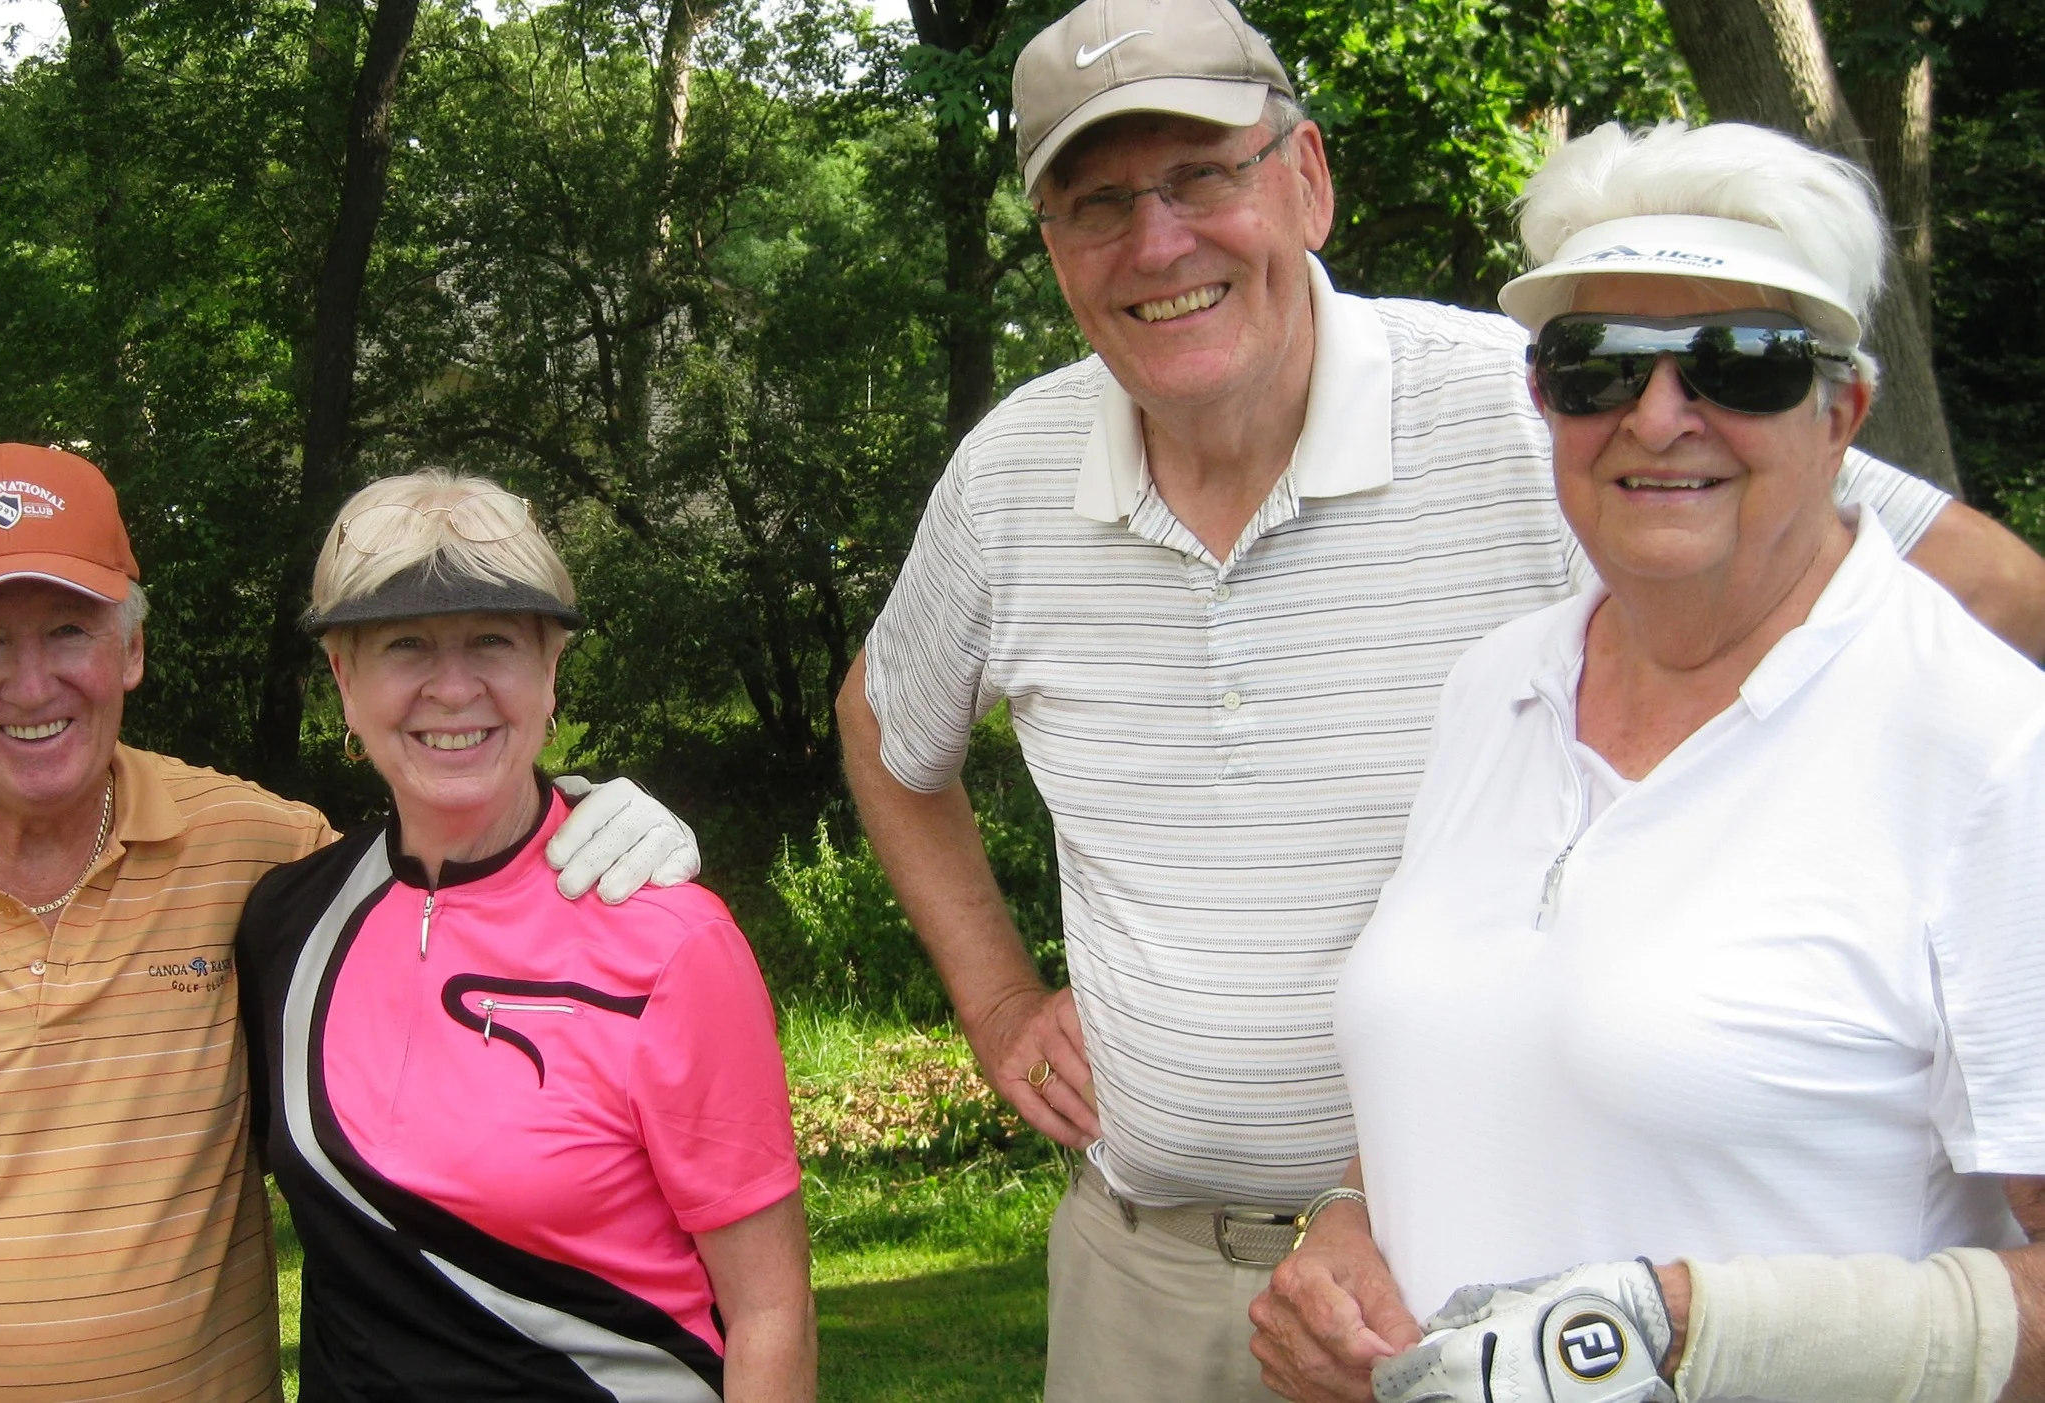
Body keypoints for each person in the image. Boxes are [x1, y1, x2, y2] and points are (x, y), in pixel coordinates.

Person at [833, 0, 2045, 1397]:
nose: (1158, 242)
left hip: (1535, 1310)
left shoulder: (1532, 409)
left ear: (1307, 179)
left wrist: (1834, 780)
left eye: (1204, 175)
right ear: (1051, 246)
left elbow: (1980, 589)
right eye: (1099, 202)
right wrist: (998, 1003)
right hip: (1173, 1268)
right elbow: (884, 725)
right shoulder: (1498, 675)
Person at [0, 443, 701, 1402]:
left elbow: (447, 865)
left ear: (132, 650)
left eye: (70, 631)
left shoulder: (262, 858)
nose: (32, 683)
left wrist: (586, 814)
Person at [1260, 119, 2045, 1403]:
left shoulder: (1989, 745)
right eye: (1598, 367)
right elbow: (1481, 1060)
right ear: (1544, 401)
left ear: (1842, 411)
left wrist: (1703, 1331)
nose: (1659, 416)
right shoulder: (1494, 686)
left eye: (1741, 364)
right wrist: (1343, 1222)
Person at [233, 470, 815, 1402]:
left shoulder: (671, 938)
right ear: (343, 677)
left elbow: (771, 1313)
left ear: (551, 671)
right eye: (406, 645)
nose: (453, 687)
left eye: (493, 641)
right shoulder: (285, 923)